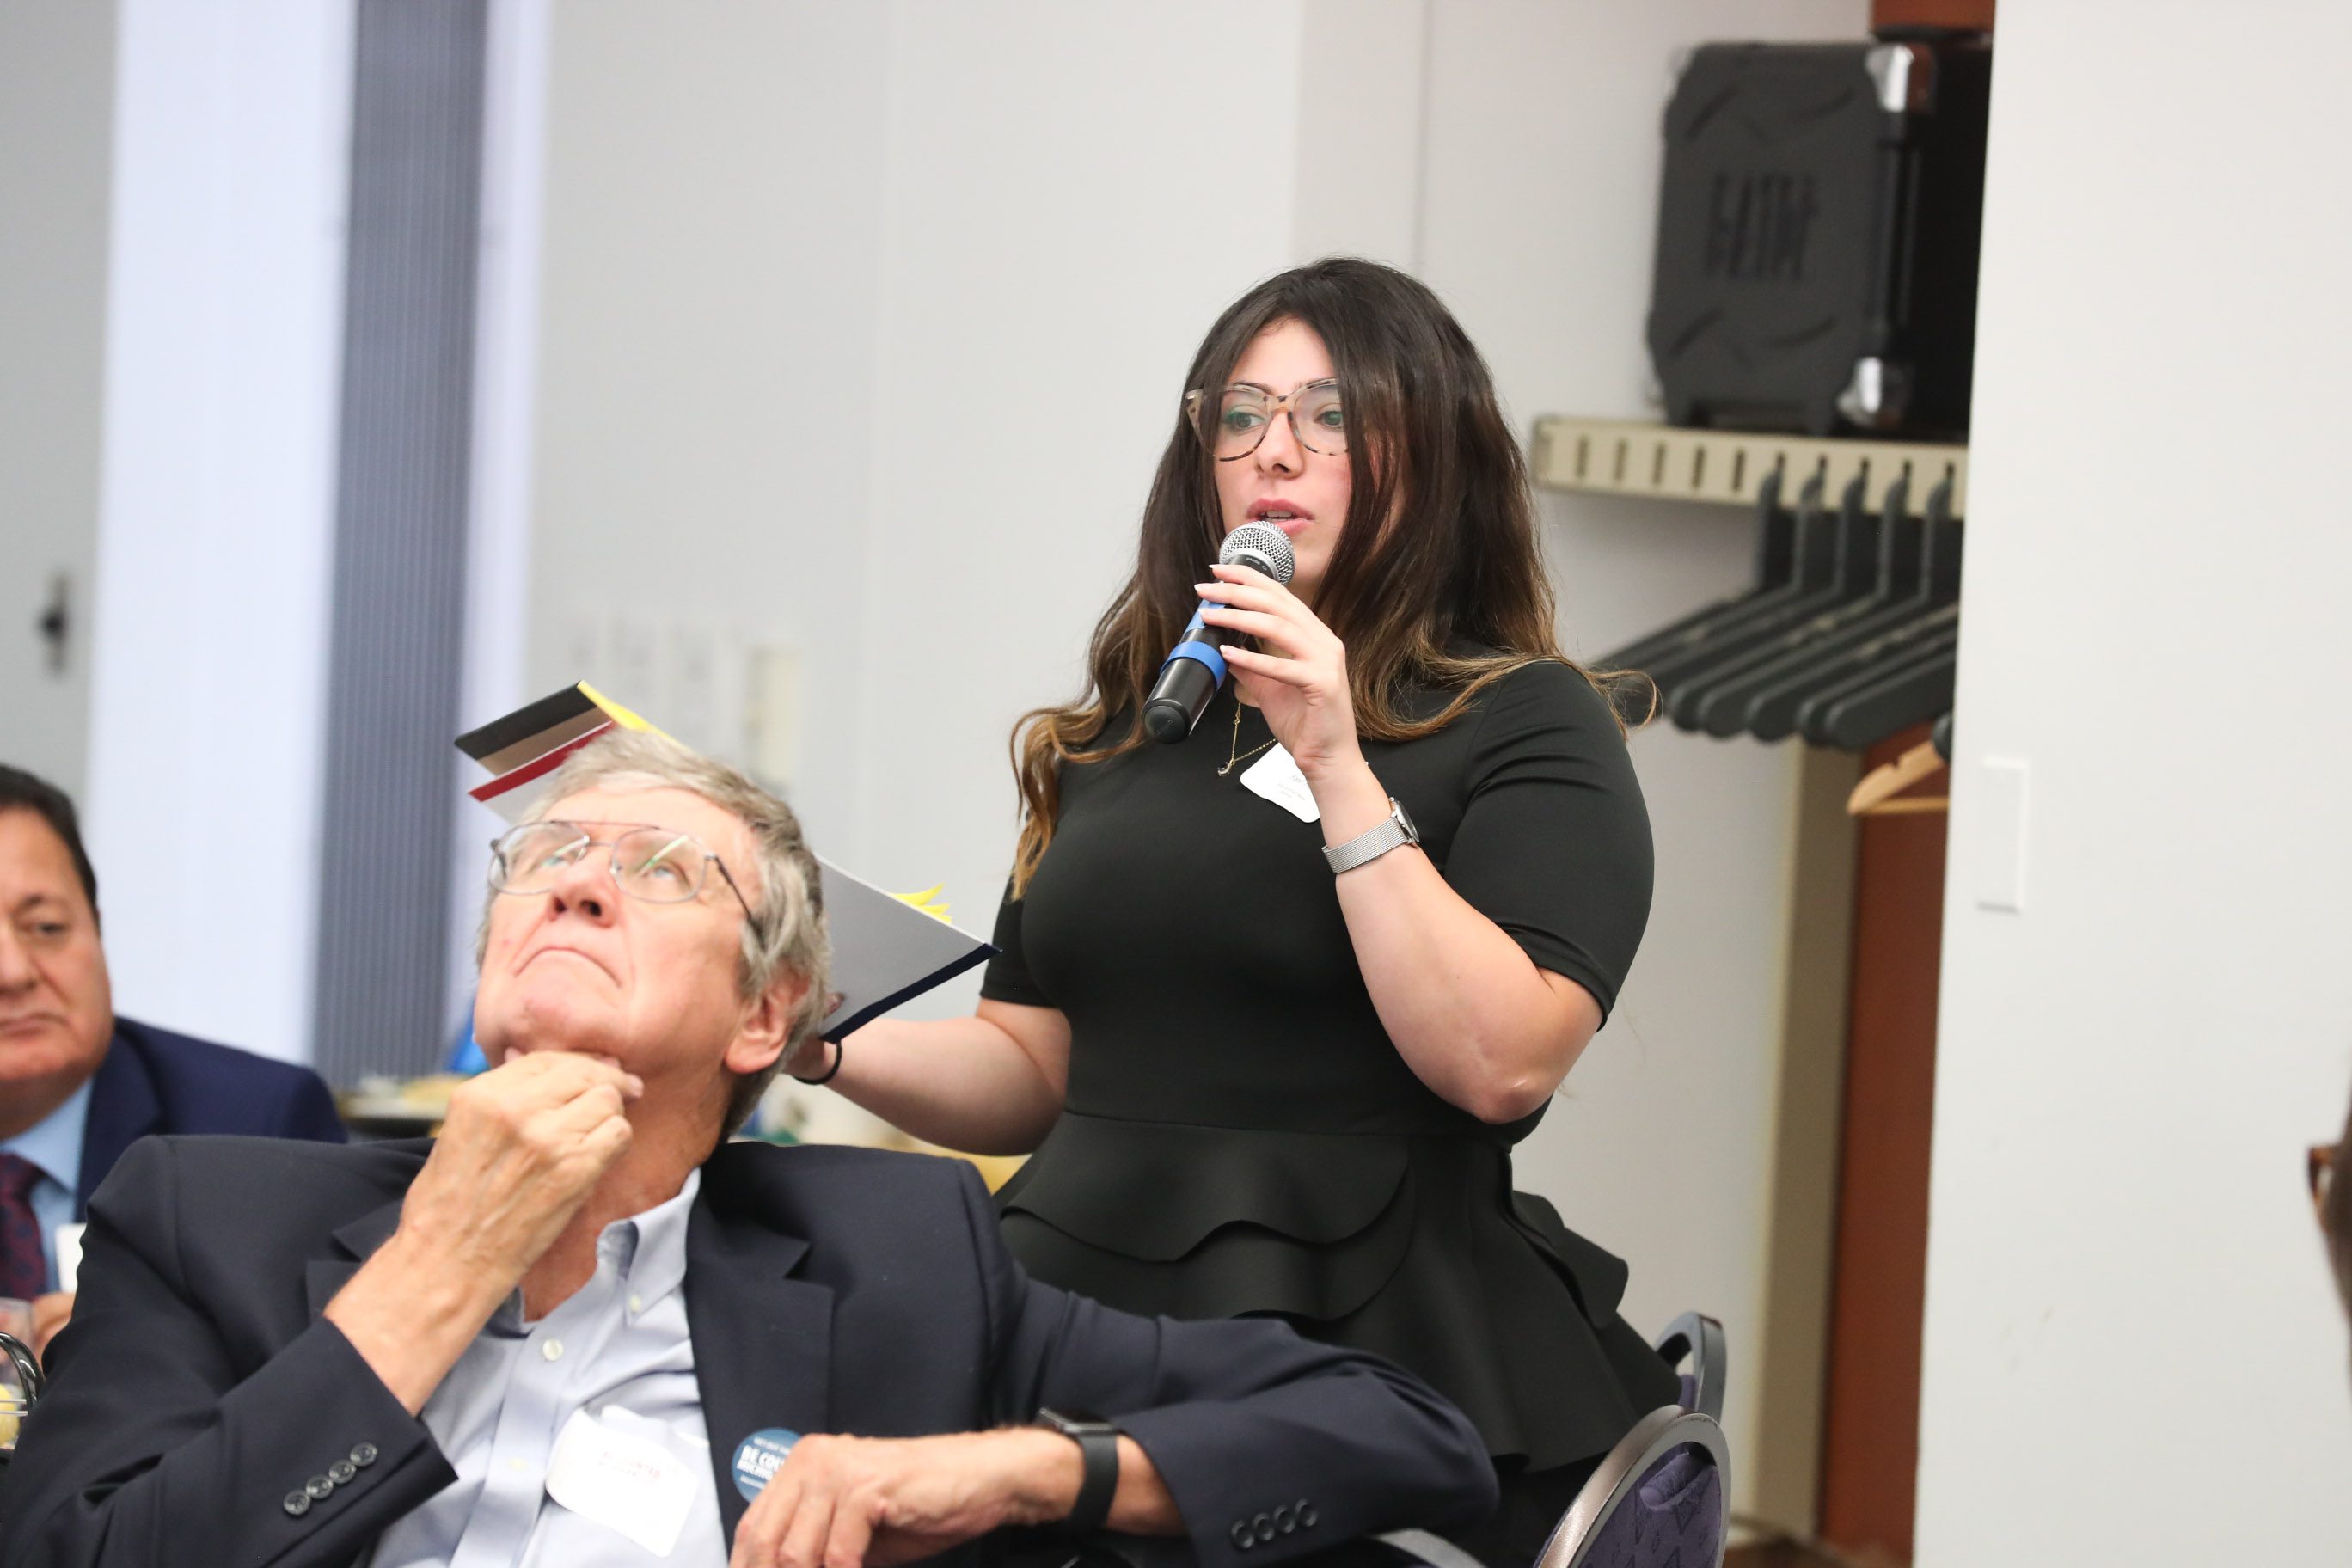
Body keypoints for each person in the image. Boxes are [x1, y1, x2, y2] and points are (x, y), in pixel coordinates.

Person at [0, 732, 1497, 1568]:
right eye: (547, 858)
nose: (578, 885)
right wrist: (433, 1270)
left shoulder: (902, 1264)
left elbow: (1401, 1429)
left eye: (660, 871)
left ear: (768, 1013)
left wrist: (1025, 1468)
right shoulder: (210, 1214)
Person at [800, 257, 1675, 1564]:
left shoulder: (1523, 718)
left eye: (1332, 415)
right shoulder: (1131, 729)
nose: (1277, 450)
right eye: (1244, 415)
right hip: (1072, 1305)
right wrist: (818, 1036)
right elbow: (1032, 1069)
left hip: (1367, 1326)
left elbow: (1502, 1063)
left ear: (1433, 456)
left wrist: (1335, 761)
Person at [0, 764, 345, 1353]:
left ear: (97, 930)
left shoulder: (254, 1127)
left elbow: (335, 1366)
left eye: (47, 927)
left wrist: (154, 1356)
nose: (13, 972)